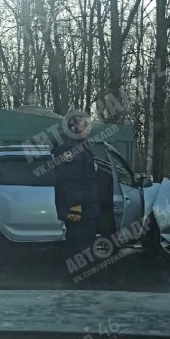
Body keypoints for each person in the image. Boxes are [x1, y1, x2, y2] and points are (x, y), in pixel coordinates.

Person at [52, 111, 100, 273]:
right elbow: (68, 180)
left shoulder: (78, 147)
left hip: (84, 209)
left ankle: (80, 279)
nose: (88, 129)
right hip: (80, 211)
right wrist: (75, 206)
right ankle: (81, 283)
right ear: (73, 127)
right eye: (85, 125)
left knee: (82, 247)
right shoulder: (70, 149)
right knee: (81, 248)